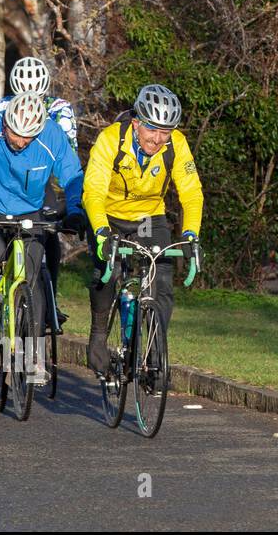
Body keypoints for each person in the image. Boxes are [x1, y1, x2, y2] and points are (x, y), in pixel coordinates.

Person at [0, 92, 85, 385]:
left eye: (28, 137)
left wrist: (75, 210)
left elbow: (72, 175)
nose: (19, 141)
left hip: (29, 209)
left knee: (31, 277)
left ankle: (33, 356)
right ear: (6, 121)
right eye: (14, 133)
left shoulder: (52, 135)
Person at [81, 84, 203, 378]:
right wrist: (100, 233)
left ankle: (154, 352)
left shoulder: (176, 144)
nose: (158, 139)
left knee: (161, 280)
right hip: (108, 215)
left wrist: (190, 235)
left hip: (150, 218)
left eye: (166, 132)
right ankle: (98, 337)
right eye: (152, 130)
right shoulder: (110, 140)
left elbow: (191, 193)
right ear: (136, 123)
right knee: (105, 276)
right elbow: (93, 192)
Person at [0, 56, 78, 316]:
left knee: (48, 230)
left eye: (37, 100)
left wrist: (71, 197)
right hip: (4, 183)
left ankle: (50, 298)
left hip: (39, 182)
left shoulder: (60, 109)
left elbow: (66, 153)